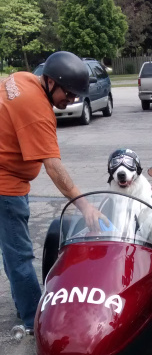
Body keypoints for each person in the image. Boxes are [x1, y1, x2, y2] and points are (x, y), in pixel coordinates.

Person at [0, 50, 102, 333]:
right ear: (51, 82)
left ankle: (24, 306)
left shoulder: (20, 79)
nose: (70, 101)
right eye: (68, 94)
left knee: (10, 252)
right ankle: (35, 321)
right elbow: (55, 169)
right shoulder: (37, 110)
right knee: (19, 255)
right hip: (5, 188)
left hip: (7, 180)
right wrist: (85, 206)